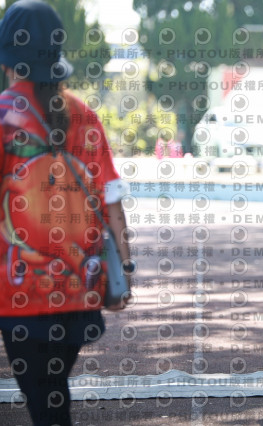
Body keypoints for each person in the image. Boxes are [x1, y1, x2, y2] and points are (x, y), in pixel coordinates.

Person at [0, 1, 132, 424]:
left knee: (44, 400)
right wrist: (126, 269)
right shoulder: (84, 115)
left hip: (19, 293)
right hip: (79, 289)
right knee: (54, 392)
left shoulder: (4, 117)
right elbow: (111, 201)